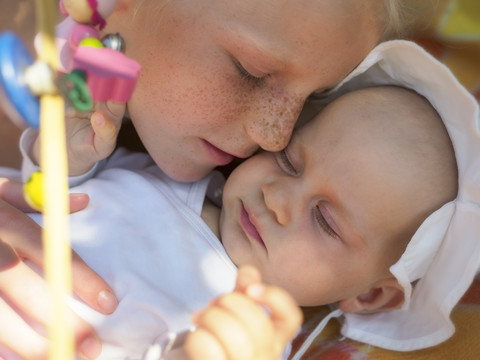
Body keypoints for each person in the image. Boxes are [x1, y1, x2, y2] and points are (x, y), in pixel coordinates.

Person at [0, 0, 434, 358]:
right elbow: (57, 198)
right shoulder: (161, 176)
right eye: (252, 71)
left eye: (315, 98)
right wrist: (65, 153)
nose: (276, 134)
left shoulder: (250, 328)